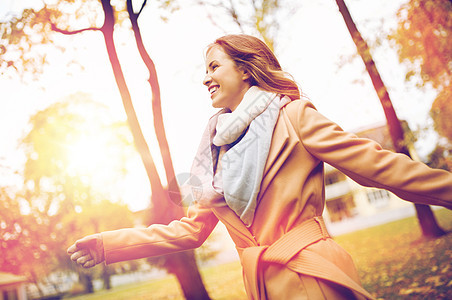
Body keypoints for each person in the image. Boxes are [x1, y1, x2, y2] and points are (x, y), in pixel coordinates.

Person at [67, 34, 452, 299]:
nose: (206, 78)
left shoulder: (295, 117)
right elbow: (190, 230)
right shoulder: (212, 151)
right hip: (263, 286)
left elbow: (382, 168)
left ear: (246, 70)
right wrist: (108, 245)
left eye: (214, 67)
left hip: (313, 273)